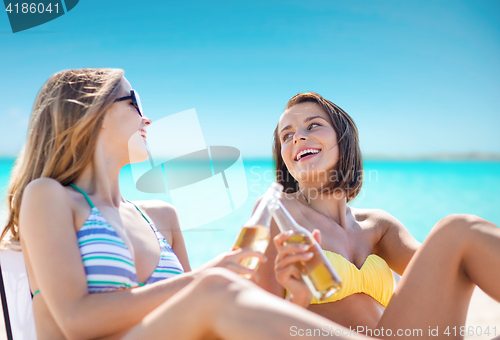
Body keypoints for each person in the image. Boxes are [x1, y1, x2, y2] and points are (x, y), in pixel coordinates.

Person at [0, 68, 268, 339]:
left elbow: (195, 321)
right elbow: (76, 319)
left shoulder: (162, 217)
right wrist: (208, 278)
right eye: (134, 102)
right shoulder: (48, 196)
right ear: (96, 111)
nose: (147, 119)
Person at [256, 92, 500, 337]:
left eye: (313, 125)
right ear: (284, 157)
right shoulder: (278, 213)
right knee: (457, 230)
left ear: (344, 139)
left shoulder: (377, 226)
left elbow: (450, 266)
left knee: (459, 233)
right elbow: (257, 327)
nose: (298, 137)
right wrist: (298, 300)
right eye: (286, 135)